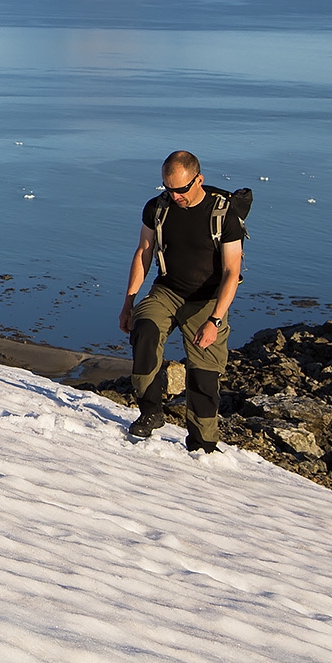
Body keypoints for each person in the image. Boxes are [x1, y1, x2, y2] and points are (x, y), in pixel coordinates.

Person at [119, 151, 245, 452]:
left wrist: (214, 320)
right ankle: (151, 412)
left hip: (207, 300)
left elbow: (232, 272)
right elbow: (143, 253)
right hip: (168, 290)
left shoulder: (224, 215)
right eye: (168, 189)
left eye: (181, 189)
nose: (175, 196)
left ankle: (203, 445)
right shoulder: (156, 209)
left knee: (203, 375)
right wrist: (129, 303)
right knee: (145, 330)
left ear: (198, 179)